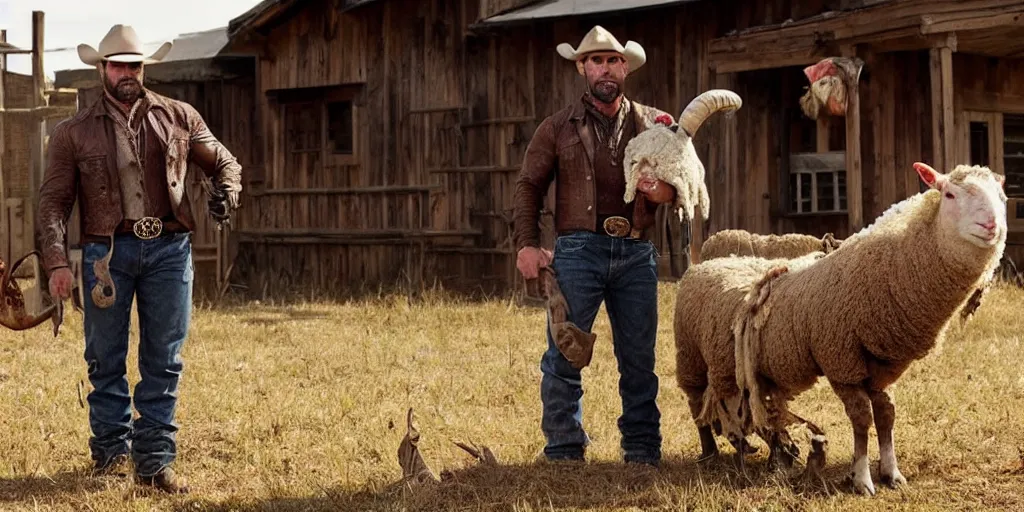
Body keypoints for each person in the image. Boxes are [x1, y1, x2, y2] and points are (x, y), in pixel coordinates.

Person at [36, 24, 242, 493]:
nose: (127, 72)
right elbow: (52, 203)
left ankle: (154, 463)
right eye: (117, 64)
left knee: (164, 359)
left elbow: (225, 162)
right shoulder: (72, 132)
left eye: (134, 64)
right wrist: (56, 263)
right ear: (101, 69)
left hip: (169, 250)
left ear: (144, 67)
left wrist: (227, 189)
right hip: (105, 253)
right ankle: (110, 455)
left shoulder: (180, 116)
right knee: (104, 358)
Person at [513, 25, 679, 467]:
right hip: (578, 252)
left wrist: (661, 191)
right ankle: (565, 450)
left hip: (635, 251)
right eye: (596, 61)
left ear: (626, 67)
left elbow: (680, 186)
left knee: (639, 360)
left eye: (613, 60)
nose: (605, 68)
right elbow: (529, 185)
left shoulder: (656, 125)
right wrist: (528, 245)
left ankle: (642, 451)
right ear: (582, 68)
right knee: (565, 351)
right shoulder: (557, 127)